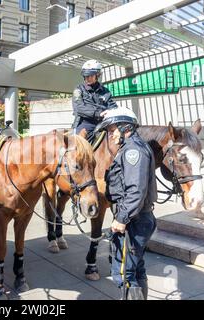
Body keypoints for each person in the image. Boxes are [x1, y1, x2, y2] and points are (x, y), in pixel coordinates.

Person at [97, 107, 157, 300]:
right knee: (136, 268)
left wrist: (121, 219)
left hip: (133, 221)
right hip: (137, 218)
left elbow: (135, 190)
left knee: (123, 273)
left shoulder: (133, 150)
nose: (111, 135)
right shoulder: (133, 146)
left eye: (112, 129)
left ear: (126, 127)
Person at [72, 59, 118, 142]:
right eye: (85, 76)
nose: (87, 78)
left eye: (90, 76)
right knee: (79, 148)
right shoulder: (78, 90)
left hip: (103, 122)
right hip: (85, 123)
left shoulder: (105, 91)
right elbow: (79, 108)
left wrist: (111, 111)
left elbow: (112, 106)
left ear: (98, 75)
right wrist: (99, 113)